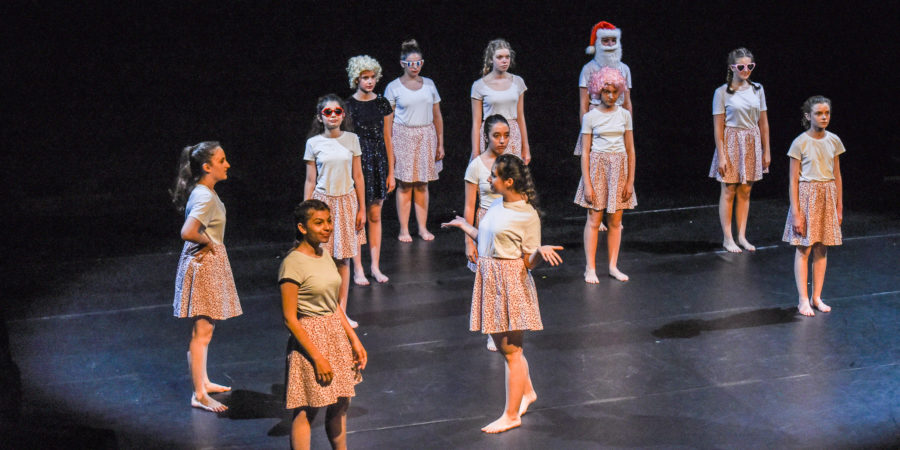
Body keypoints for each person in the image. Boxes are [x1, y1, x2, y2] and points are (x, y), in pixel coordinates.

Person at [442, 154, 563, 434]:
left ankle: (511, 415)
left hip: (510, 282)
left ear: (508, 181)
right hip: (490, 278)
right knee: (506, 348)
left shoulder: (526, 215)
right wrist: (464, 226)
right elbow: (487, 239)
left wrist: (539, 251)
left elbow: (528, 262)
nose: (489, 179)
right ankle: (527, 392)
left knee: (511, 351)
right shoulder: (496, 204)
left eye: (494, 175)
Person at [280, 200, 367, 449]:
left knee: (341, 402)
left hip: (335, 335)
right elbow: (289, 318)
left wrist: (354, 340)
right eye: (319, 223)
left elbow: (334, 305)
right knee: (307, 408)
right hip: (310, 339)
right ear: (302, 227)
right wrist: (317, 358)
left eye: (328, 221)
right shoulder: (292, 263)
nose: (327, 227)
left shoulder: (325, 254)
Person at [170, 141, 242, 413]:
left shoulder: (206, 192)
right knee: (202, 331)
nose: (227, 165)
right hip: (203, 264)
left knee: (205, 329)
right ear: (207, 167)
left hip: (206, 262)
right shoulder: (204, 196)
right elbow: (188, 231)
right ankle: (199, 395)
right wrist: (209, 243)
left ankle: (203, 382)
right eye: (222, 160)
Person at [304, 94, 366, 328]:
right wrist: (306, 212)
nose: (333, 116)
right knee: (322, 259)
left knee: (344, 259)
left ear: (343, 115)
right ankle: (323, 312)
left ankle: (342, 312)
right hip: (323, 204)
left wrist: (361, 208)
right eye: (327, 112)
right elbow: (310, 180)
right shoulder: (313, 143)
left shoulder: (352, 139)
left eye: (337, 111)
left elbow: (358, 176)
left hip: (347, 202)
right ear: (320, 117)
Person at [782, 96, 844, 317]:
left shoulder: (834, 140)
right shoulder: (799, 142)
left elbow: (837, 176)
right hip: (807, 197)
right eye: (819, 113)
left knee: (821, 247)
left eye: (827, 113)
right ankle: (803, 300)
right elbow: (793, 181)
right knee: (804, 248)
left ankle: (816, 297)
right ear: (808, 116)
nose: (824, 117)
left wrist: (839, 207)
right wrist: (796, 213)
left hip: (827, 195)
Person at [575, 67, 636, 283]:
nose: (610, 96)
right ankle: (590, 268)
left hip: (619, 168)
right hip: (598, 168)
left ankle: (612, 266)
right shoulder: (590, 117)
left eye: (614, 92)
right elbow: (585, 152)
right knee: (594, 218)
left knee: (616, 220)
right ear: (598, 91)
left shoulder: (624, 115)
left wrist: (630, 181)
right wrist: (588, 184)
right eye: (606, 91)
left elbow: (630, 149)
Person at [710, 47, 770, 253]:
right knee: (729, 190)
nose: (746, 70)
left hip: (752, 140)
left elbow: (764, 122)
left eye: (750, 66)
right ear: (732, 67)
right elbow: (718, 127)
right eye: (741, 67)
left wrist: (766, 150)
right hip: (731, 140)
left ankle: (742, 236)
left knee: (745, 190)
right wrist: (721, 156)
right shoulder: (721, 92)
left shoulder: (758, 89)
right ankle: (728, 238)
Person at [383, 39, 444, 242]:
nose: (415, 67)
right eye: (411, 63)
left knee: (422, 184)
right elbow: (388, 122)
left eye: (418, 63)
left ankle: (422, 228)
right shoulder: (393, 87)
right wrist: (390, 148)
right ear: (403, 63)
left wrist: (440, 142)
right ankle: (404, 229)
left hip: (425, 135)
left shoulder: (429, 84)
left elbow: (437, 115)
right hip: (403, 136)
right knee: (405, 185)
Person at [575, 21, 633, 231]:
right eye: (605, 40)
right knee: (594, 164)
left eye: (612, 40)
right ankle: (595, 211)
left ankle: (615, 210)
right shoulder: (589, 69)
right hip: (595, 120)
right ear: (598, 44)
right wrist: (586, 131)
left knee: (618, 162)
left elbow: (627, 102)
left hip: (618, 120)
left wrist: (629, 127)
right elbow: (583, 104)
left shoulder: (624, 69)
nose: (609, 44)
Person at [345, 55, 395, 285]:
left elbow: (388, 138)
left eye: (372, 77)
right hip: (357, 160)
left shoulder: (382, 103)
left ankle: (374, 266)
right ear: (357, 79)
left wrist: (391, 171)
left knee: (375, 214)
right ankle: (358, 268)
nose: (369, 81)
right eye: (365, 77)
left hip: (378, 161)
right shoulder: (349, 105)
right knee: (359, 216)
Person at [463, 114, 509, 352]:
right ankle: (492, 331)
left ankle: (507, 327)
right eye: (496, 135)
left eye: (506, 136)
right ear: (486, 137)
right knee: (490, 283)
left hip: (509, 225)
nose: (502, 140)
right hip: (486, 226)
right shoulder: (476, 166)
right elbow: (469, 207)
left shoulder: (512, 163)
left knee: (508, 280)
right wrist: (469, 242)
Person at [470, 39, 531, 164]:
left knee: (510, 173)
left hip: (511, 134)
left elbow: (520, 116)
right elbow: (476, 122)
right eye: (499, 57)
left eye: (507, 57)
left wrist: (526, 147)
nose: (504, 60)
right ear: (491, 59)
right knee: (489, 172)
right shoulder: (479, 85)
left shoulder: (518, 82)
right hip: (491, 133)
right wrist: (475, 152)